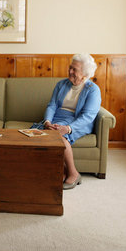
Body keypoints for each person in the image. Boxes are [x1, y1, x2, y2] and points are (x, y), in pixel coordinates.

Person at [39, 53, 101, 190]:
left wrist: (67, 128)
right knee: (42, 133)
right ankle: (62, 171)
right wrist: (48, 121)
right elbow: (52, 105)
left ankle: (73, 173)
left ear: (85, 74)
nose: (70, 71)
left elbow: (87, 117)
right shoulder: (61, 84)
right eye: (70, 68)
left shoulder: (93, 90)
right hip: (56, 118)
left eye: (74, 69)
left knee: (58, 136)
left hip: (77, 122)